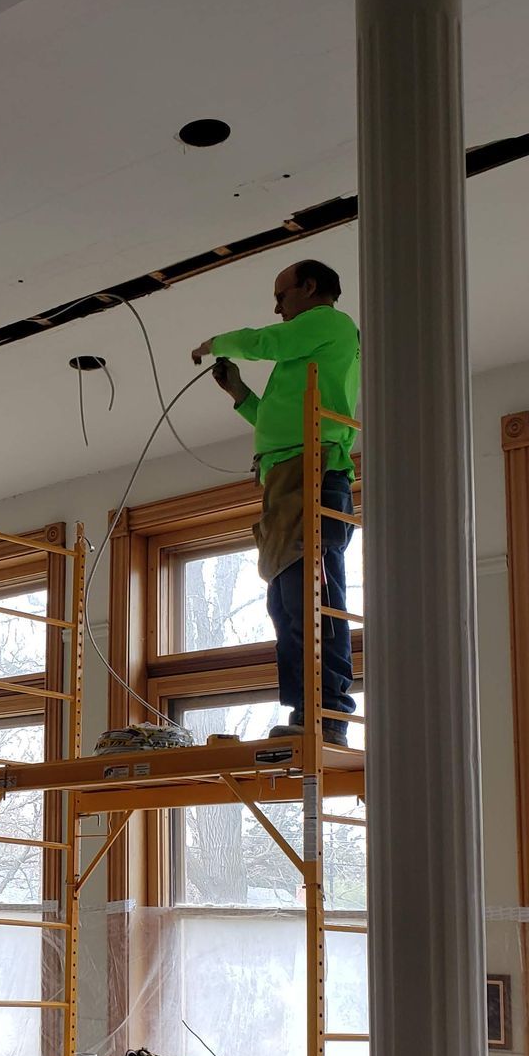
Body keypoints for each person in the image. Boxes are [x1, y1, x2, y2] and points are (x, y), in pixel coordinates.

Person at [191, 259, 360, 745]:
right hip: (287, 477)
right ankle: (308, 710)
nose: (277, 306)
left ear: (311, 288)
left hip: (316, 472)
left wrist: (217, 342)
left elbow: (269, 341)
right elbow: (273, 419)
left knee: (315, 598)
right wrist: (241, 394)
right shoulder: (304, 357)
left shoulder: (330, 323)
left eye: (282, 294)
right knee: (286, 604)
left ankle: (330, 714)